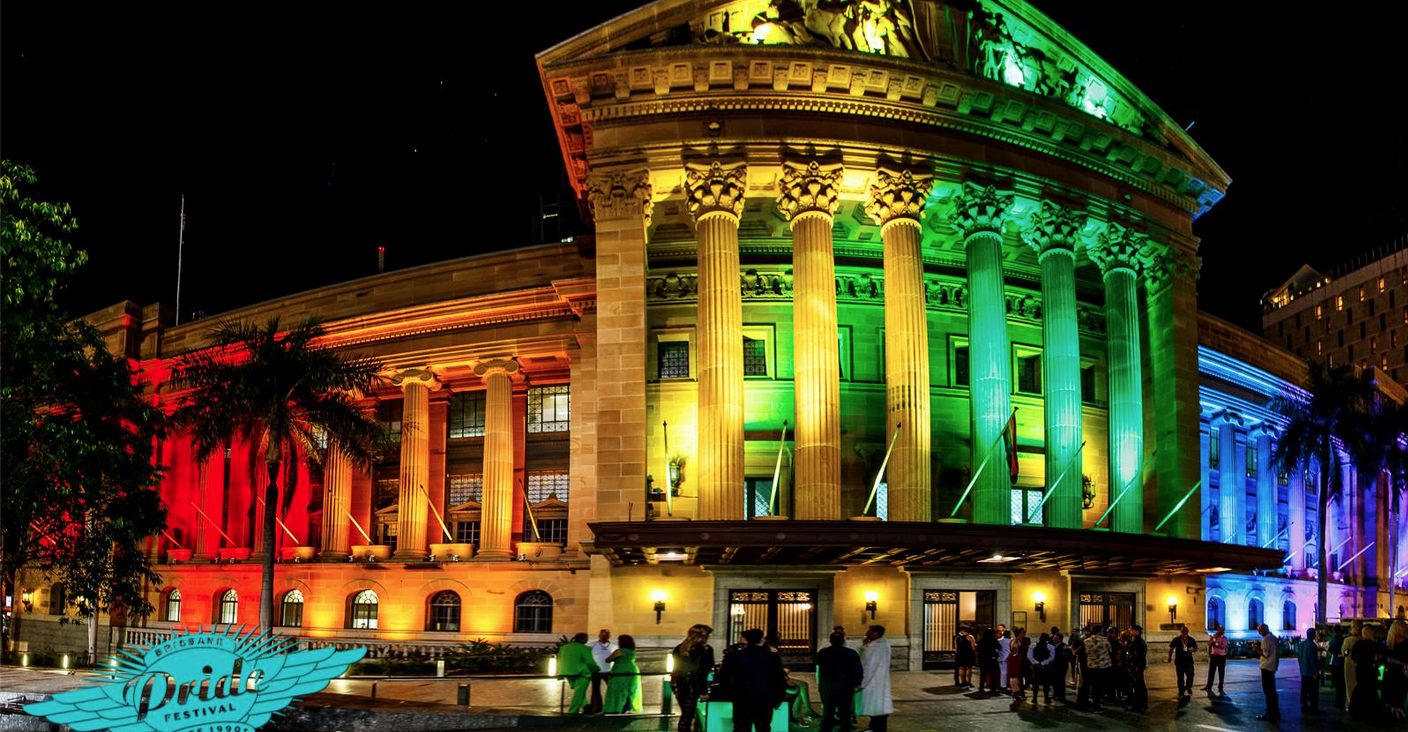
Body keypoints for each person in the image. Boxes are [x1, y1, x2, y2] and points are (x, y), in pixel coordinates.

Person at [717, 628, 789, 732]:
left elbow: (724, 676)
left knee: (741, 727)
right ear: (762, 639)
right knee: (763, 727)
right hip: (764, 697)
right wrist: (778, 697)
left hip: (742, 697)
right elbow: (779, 678)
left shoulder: (734, 655)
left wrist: (729, 692)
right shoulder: (772, 657)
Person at [765, 631, 818, 725]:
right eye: (779, 637)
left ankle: (805, 710)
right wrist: (783, 673)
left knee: (803, 685)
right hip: (775, 678)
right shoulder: (770, 649)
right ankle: (800, 713)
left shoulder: (771, 648)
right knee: (798, 688)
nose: (781, 639)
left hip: (778, 676)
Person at [670, 624, 716, 732]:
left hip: (680, 685)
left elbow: (676, 669)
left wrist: (674, 685)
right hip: (693, 686)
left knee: (686, 716)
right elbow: (702, 673)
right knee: (687, 717)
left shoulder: (680, 648)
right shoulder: (705, 650)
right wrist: (704, 691)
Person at [817, 631, 863, 732]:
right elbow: (857, 669)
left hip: (828, 686)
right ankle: (845, 727)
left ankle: (826, 728)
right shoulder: (851, 653)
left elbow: (819, 665)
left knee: (828, 710)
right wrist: (858, 682)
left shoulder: (823, 652)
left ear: (830, 641)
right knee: (845, 710)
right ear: (843, 641)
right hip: (845, 687)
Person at [859, 626, 893, 732]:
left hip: (874, 682)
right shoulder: (883, 644)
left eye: (869, 631)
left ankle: (876, 728)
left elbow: (870, 667)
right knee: (879, 707)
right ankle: (874, 726)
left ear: (876, 633)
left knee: (876, 707)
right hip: (879, 681)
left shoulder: (876, 647)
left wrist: (861, 683)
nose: (867, 633)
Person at [558, 633, 597, 715]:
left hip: (567, 672)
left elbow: (559, 658)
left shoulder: (564, 647)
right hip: (582, 673)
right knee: (579, 693)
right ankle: (573, 711)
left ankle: (586, 705)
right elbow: (590, 662)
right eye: (587, 638)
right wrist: (596, 669)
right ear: (584, 639)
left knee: (578, 690)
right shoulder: (585, 648)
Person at [1349, 624, 1383, 718]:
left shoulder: (1359, 644)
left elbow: (1353, 657)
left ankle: (1357, 709)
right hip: (1370, 668)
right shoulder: (1373, 645)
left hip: (1360, 668)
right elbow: (1380, 655)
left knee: (1361, 687)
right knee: (1370, 688)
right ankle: (1371, 710)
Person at [604, 634, 643, 713]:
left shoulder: (619, 651)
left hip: (620, 670)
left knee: (618, 690)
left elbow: (608, 660)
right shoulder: (632, 651)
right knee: (631, 690)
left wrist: (614, 659)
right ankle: (629, 707)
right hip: (633, 670)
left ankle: (617, 708)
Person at [1254, 623, 1281, 722]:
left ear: (1264, 630)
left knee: (1268, 691)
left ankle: (1270, 713)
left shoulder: (1266, 639)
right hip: (1273, 667)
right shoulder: (1274, 638)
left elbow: (1265, 654)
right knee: (1272, 691)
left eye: (1260, 630)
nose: (1259, 632)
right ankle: (1275, 712)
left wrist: (1256, 649)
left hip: (1266, 667)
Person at [1083, 623, 1111, 712]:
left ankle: (1095, 703)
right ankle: (1098, 704)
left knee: (1094, 685)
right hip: (1103, 666)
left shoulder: (1086, 641)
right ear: (1099, 631)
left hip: (1091, 666)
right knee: (1100, 685)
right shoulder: (1104, 640)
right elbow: (1110, 650)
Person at [589, 628, 616, 712]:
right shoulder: (591, 645)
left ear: (609, 636)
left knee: (612, 689)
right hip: (596, 671)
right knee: (595, 691)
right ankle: (596, 708)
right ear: (599, 635)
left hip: (609, 671)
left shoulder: (614, 646)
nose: (604, 636)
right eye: (603, 634)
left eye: (606, 634)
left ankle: (612, 706)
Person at [1166, 624, 1197, 697]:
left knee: (1191, 675)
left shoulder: (1191, 639)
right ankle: (1181, 690)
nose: (1184, 633)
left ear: (1188, 632)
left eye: (1186, 632)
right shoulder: (1176, 639)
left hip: (1189, 661)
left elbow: (1195, 648)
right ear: (1181, 632)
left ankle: (1188, 687)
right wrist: (1169, 657)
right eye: (1183, 632)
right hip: (1179, 661)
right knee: (1180, 677)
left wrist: (1193, 649)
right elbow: (1171, 648)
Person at [1297, 626, 1320, 714]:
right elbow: (1313, 660)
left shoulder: (1301, 644)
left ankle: (1304, 705)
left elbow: (1299, 658)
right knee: (1313, 691)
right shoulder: (1312, 645)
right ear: (1313, 635)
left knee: (1304, 689)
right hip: (1311, 672)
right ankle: (1313, 707)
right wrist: (1315, 672)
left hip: (1304, 671)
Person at [1027, 632, 1054, 704]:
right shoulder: (1050, 647)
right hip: (1046, 667)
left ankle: (1034, 698)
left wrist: (1035, 663)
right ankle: (1046, 698)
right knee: (1046, 683)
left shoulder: (1033, 645)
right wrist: (1043, 663)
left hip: (1036, 667)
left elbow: (1029, 656)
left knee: (1035, 683)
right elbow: (1051, 657)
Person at [1126, 624, 1148, 711]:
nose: (1130, 632)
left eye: (1132, 630)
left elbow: (1137, 656)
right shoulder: (1136, 641)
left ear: (1137, 631)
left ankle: (1138, 705)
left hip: (1137, 666)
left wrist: (1135, 666)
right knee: (1140, 685)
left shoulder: (1138, 642)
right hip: (1137, 666)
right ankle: (1142, 704)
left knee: (1138, 686)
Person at [1203, 624, 1228, 696]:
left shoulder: (1224, 638)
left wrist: (1215, 643)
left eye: (1221, 629)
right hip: (1214, 656)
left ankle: (1220, 687)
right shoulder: (1214, 637)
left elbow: (1223, 646)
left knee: (1221, 672)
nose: (1219, 630)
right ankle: (1209, 686)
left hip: (1221, 657)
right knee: (1211, 671)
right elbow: (1209, 644)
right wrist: (1213, 640)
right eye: (1218, 629)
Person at [1343, 620, 1362, 711]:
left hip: (1349, 663)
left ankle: (1350, 703)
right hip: (1359, 663)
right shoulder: (1362, 639)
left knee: (1349, 684)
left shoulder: (1348, 640)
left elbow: (1344, 652)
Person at [976, 628, 1000, 693]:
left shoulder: (981, 641)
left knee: (983, 674)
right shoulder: (994, 640)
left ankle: (981, 687)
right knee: (993, 674)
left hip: (983, 659)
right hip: (992, 659)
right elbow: (999, 648)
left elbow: (977, 649)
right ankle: (993, 688)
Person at [1048, 631, 1070, 704]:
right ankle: (1055, 694)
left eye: (1056, 638)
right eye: (1053, 637)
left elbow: (1065, 657)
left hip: (1061, 666)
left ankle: (1061, 696)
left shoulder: (1064, 646)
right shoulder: (1052, 646)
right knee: (1054, 681)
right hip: (1054, 666)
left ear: (1060, 639)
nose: (1054, 639)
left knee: (1060, 681)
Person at [1328, 625, 1346, 710]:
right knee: (1341, 684)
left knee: (1339, 684)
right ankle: (1339, 700)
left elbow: (1330, 651)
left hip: (1334, 662)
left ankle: (1337, 700)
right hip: (1340, 663)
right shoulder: (1341, 640)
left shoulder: (1332, 640)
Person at [996, 624, 1011, 692]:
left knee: (1003, 672)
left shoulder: (999, 641)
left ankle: (1003, 685)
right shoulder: (1011, 641)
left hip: (1001, 658)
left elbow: (997, 649)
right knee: (1010, 672)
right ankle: (1009, 684)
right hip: (1009, 658)